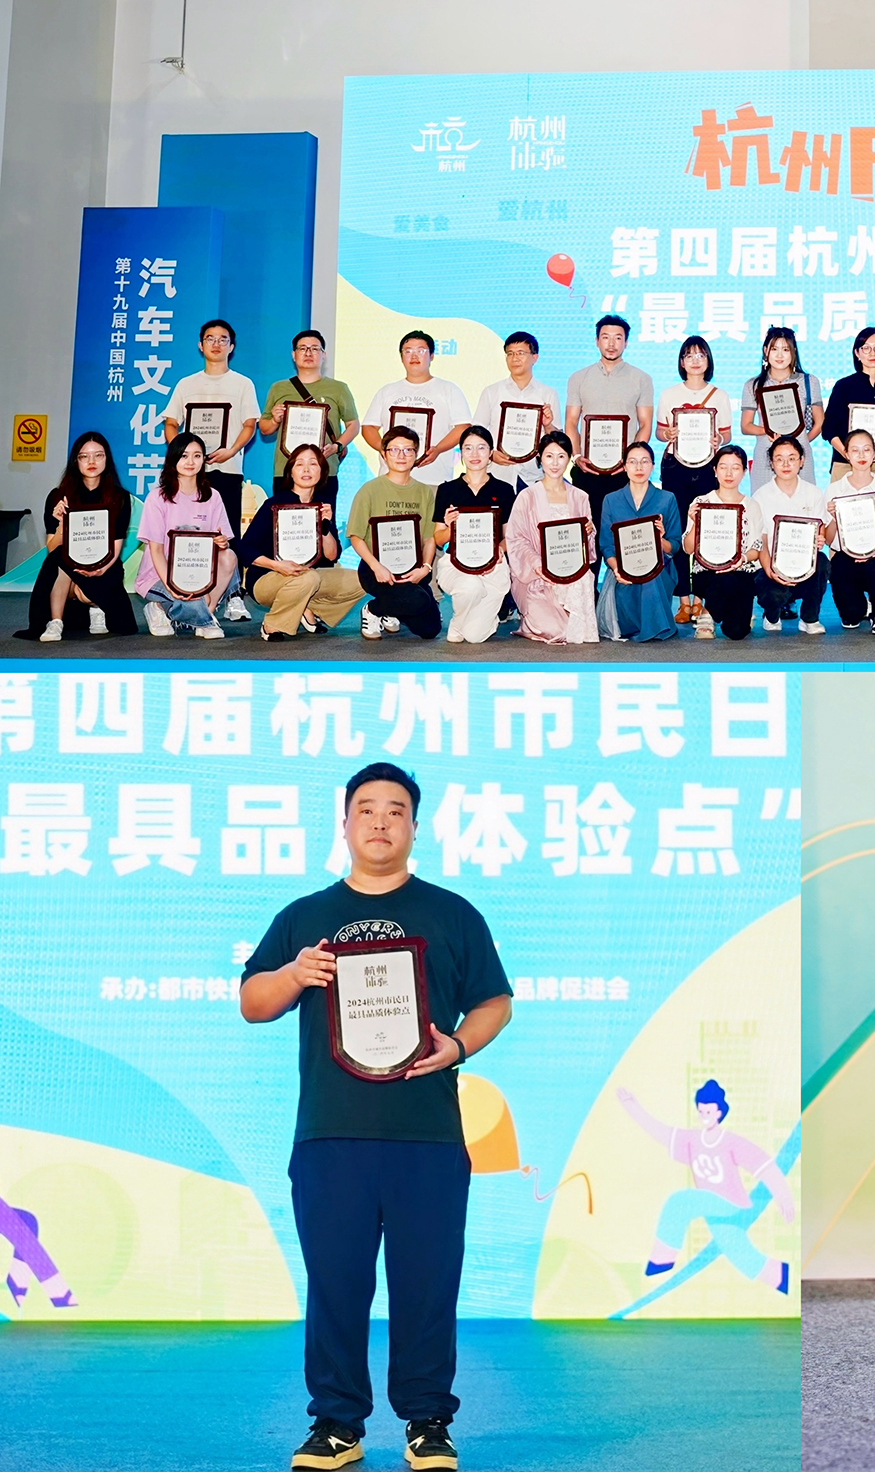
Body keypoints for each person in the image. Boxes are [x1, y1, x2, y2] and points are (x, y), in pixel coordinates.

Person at [240, 762, 512, 1472]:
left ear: (415, 827)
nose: (381, 821)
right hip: (331, 1134)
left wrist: (458, 1046)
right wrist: (293, 974)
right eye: (367, 809)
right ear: (345, 823)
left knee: (428, 1284)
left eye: (396, 810)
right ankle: (337, 1423)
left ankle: (428, 1422)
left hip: (427, 1134)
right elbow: (253, 1002)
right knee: (336, 1284)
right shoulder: (303, 917)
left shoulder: (453, 913)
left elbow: (495, 1002)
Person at [616, 1079, 794, 1294]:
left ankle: (660, 1262)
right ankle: (782, 1277)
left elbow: (763, 1165)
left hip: (729, 1204)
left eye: (708, 1112)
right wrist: (632, 1106)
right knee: (741, 1255)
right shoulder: (692, 1140)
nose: (704, 1116)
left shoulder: (730, 1141)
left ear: (719, 1112)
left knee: (679, 1202)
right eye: (701, 1112)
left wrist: (783, 1195)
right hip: (711, 1210)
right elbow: (660, 1132)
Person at [161, 316, 259, 619]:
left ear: (232, 347)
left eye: (223, 339)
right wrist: (183, 454)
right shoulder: (186, 384)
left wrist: (231, 450)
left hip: (227, 468)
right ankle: (186, 588)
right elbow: (171, 423)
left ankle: (234, 596)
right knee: (188, 530)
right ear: (200, 345)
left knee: (227, 533)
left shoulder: (242, 383)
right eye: (210, 339)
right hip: (191, 473)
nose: (216, 344)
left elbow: (250, 424)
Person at [16, 430, 137, 642]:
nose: (91, 461)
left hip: (105, 565)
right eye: (84, 456)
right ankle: (56, 621)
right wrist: (62, 524)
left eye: (98, 455)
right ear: (76, 461)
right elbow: (52, 548)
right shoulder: (58, 496)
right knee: (59, 559)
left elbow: (116, 546)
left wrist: (101, 569)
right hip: (68, 566)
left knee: (86, 592)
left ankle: (96, 607)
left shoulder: (120, 497)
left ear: (107, 459)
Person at [237, 443, 363, 641]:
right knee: (308, 578)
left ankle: (306, 607)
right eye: (299, 464)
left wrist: (325, 525)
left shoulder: (322, 506)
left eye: (313, 464)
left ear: (322, 471)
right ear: (291, 472)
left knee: (361, 579)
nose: (306, 469)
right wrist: (277, 565)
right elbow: (245, 548)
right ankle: (272, 625)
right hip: (268, 577)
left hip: (308, 575)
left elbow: (332, 555)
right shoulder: (274, 504)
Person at [657, 334, 733, 626]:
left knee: (704, 530)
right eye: (689, 355)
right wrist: (668, 434)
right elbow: (659, 432)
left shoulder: (719, 395)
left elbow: (726, 434)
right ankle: (682, 600)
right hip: (675, 466)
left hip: (707, 467)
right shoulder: (669, 394)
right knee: (677, 530)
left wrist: (718, 440)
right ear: (681, 362)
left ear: (708, 360)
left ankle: (700, 598)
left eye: (701, 355)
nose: (695, 360)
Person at [135, 433, 241, 640]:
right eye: (184, 456)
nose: (190, 462)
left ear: (204, 460)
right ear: (173, 459)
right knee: (188, 598)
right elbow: (156, 550)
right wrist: (171, 586)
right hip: (161, 574)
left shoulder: (212, 496)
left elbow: (221, 542)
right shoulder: (157, 498)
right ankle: (163, 608)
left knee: (229, 557)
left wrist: (221, 542)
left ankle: (205, 614)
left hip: (199, 571)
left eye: (197, 456)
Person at [505, 431, 599, 646]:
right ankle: (532, 617)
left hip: (571, 574)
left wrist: (588, 532)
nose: (555, 463)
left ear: (569, 459)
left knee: (576, 627)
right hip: (537, 578)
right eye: (549, 456)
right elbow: (516, 539)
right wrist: (537, 563)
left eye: (561, 456)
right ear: (540, 458)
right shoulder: (527, 496)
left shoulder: (580, 496)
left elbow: (587, 550)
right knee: (558, 631)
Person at [346, 426, 440, 641]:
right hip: (376, 568)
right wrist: (376, 566)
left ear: (416, 454)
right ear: (384, 454)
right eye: (394, 450)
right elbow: (355, 536)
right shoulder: (369, 490)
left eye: (408, 450)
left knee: (430, 629)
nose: (401, 455)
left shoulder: (425, 492)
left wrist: (425, 568)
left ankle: (392, 608)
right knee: (417, 601)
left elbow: (429, 538)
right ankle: (373, 609)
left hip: (412, 568)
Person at [432, 425, 515, 645]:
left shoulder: (505, 490)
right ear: (461, 453)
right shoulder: (447, 490)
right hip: (457, 565)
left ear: (491, 453)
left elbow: (509, 537)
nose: (475, 454)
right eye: (468, 448)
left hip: (493, 567)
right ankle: (460, 620)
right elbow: (438, 539)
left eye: (481, 448)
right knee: (471, 587)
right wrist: (450, 527)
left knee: (474, 637)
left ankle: (470, 621)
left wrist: (499, 551)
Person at [360, 331, 471, 490]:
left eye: (421, 350)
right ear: (401, 357)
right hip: (391, 479)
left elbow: (463, 427)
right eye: (408, 351)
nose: (414, 356)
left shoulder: (448, 389)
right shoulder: (387, 391)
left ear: (432, 356)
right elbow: (368, 427)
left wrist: (438, 449)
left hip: (433, 478)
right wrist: (385, 449)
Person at [260, 330, 361, 506]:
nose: (308, 353)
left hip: (324, 469)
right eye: (303, 348)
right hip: (286, 470)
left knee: (324, 519)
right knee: (285, 519)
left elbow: (353, 424)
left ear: (324, 355)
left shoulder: (338, 388)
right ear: (294, 355)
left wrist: (337, 446)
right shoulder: (278, 388)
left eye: (315, 349)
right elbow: (264, 428)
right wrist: (275, 420)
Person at [564, 315, 653, 512]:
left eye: (618, 338)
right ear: (597, 341)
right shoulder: (578, 378)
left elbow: (645, 424)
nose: (611, 344)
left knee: (623, 526)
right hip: (587, 469)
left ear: (626, 342)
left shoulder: (642, 379)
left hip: (623, 473)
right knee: (586, 524)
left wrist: (631, 461)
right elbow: (571, 421)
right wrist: (576, 456)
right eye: (605, 337)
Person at [597, 442, 682, 643]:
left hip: (660, 568)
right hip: (622, 569)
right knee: (632, 582)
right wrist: (617, 570)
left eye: (645, 461)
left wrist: (659, 540)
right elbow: (606, 545)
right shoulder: (611, 500)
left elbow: (675, 545)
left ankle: (656, 627)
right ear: (624, 466)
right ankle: (650, 626)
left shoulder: (667, 498)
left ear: (653, 466)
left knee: (651, 572)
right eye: (632, 462)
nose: (639, 467)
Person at [753, 436, 833, 634]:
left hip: (804, 565)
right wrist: (770, 569)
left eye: (792, 458)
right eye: (779, 459)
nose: (786, 464)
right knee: (770, 591)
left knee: (822, 562)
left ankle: (809, 619)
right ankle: (771, 616)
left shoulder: (813, 493)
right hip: (772, 566)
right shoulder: (760, 496)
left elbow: (820, 526)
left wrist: (819, 539)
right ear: (771, 463)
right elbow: (761, 540)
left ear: (801, 461)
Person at [825, 427, 875, 634]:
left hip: (874, 556)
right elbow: (829, 539)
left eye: (866, 449)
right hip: (844, 557)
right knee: (851, 617)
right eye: (855, 450)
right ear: (846, 454)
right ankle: (859, 607)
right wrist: (834, 518)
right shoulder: (834, 489)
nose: (861, 455)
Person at [684, 445, 763, 642]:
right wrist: (695, 522)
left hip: (741, 572)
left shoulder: (752, 506)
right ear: (715, 470)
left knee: (737, 632)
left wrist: (742, 558)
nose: (729, 473)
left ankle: (721, 610)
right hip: (707, 573)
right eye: (723, 467)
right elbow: (688, 548)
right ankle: (707, 614)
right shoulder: (701, 502)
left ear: (744, 472)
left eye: (735, 468)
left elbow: (756, 549)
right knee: (724, 579)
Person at [740, 326, 825, 491]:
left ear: (793, 352)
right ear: (765, 351)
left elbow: (819, 422)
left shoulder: (809, 381)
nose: (779, 355)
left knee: (803, 501)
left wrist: (799, 442)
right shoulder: (753, 385)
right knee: (764, 501)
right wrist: (768, 431)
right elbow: (746, 426)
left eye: (785, 349)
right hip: (765, 454)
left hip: (799, 455)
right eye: (774, 349)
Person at [473, 330, 557, 485]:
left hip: (533, 476)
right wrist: (491, 454)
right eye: (510, 353)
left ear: (534, 357)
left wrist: (548, 425)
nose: (515, 358)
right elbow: (477, 432)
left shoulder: (548, 394)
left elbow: (558, 442)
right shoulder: (492, 392)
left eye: (521, 353)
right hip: (498, 474)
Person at [821, 326, 875, 485]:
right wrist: (848, 454)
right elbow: (829, 429)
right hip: (845, 464)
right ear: (857, 353)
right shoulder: (844, 386)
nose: (873, 353)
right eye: (866, 348)